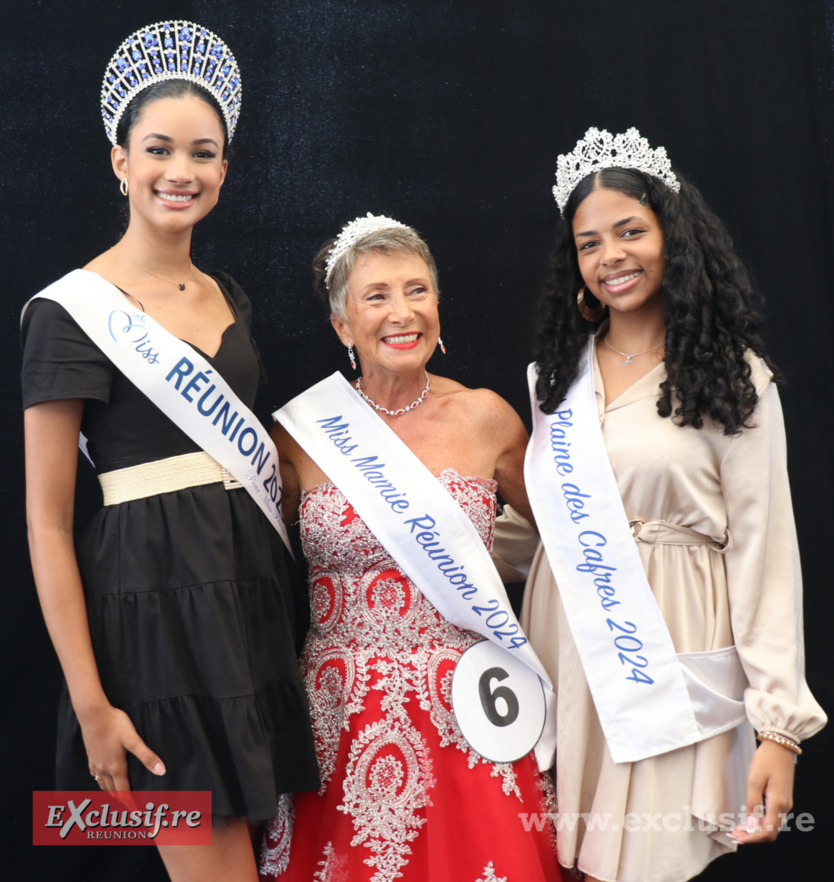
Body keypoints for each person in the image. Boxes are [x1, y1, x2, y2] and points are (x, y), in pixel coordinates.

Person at [22, 21, 318, 881]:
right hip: (148, 613)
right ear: (120, 161)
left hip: (248, 601)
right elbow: (46, 523)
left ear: (225, 170)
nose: (179, 171)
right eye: (158, 150)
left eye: (202, 152)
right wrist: (90, 703)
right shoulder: (69, 311)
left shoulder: (230, 297)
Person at [492, 127, 827, 882]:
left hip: (669, 649)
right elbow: (533, 529)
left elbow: (766, 554)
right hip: (565, 641)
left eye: (630, 232)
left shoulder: (731, 378)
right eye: (588, 243)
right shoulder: (556, 378)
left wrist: (780, 729)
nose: (610, 256)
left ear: (672, 236)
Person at [259, 215, 562, 881]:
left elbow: (565, 541)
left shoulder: (487, 418)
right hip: (337, 711)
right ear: (342, 325)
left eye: (417, 290)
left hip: (469, 709)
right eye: (377, 296)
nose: (403, 312)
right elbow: (253, 567)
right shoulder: (300, 434)